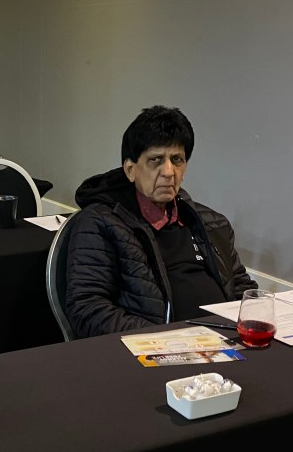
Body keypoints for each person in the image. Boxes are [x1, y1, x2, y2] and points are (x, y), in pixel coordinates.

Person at [65, 105, 257, 338]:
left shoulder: (213, 223)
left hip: (227, 343)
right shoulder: (100, 223)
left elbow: (243, 290)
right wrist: (168, 337)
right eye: (155, 160)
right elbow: (87, 310)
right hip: (155, 349)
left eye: (177, 160)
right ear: (130, 169)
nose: (168, 172)